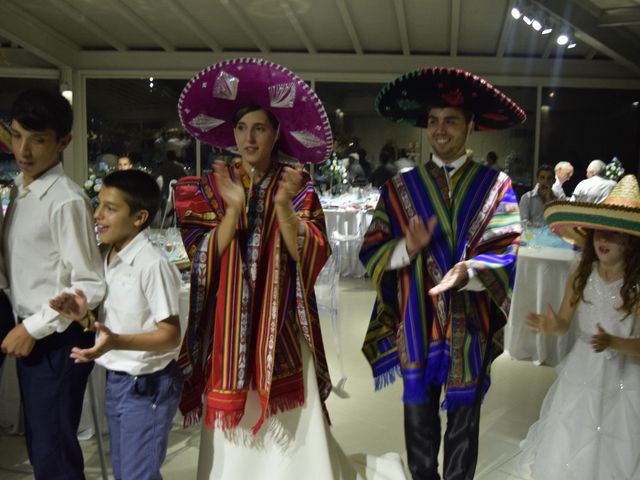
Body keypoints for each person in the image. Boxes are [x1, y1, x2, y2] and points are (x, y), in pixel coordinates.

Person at [177, 58, 405, 480]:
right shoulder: (206, 187)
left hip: (281, 324)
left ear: (276, 133)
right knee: (231, 423)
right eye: (242, 128)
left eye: (259, 128)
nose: (249, 137)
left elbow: (310, 254)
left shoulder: (296, 186)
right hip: (226, 330)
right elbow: (201, 257)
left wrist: (282, 205)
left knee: (292, 421)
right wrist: (232, 211)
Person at [360, 66, 524, 480]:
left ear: (471, 125)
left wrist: (469, 270)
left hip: (471, 320)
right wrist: (406, 247)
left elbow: (506, 247)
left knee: (464, 425)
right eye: (433, 121)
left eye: (451, 120)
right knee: (419, 424)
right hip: (416, 320)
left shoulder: (495, 184)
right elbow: (372, 249)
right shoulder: (399, 188)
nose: (440, 130)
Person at [49, 169, 184, 480]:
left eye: (110, 208)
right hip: (119, 381)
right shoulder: (109, 256)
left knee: (137, 474)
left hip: (148, 385)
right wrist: (82, 317)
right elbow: (118, 324)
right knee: (126, 472)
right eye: (99, 205)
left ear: (139, 218)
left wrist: (115, 342)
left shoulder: (152, 264)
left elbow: (170, 335)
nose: (97, 215)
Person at [0, 88, 105, 479]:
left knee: (53, 453)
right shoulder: (22, 190)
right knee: (42, 446)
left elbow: (90, 285)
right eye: (16, 135)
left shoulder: (66, 199)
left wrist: (33, 326)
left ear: (63, 142)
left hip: (57, 340)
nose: (23, 150)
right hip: (31, 331)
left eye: (37, 139)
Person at [520, 174, 640, 480]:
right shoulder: (581, 274)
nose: (603, 240)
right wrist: (552, 325)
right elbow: (564, 324)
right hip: (583, 369)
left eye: (614, 235)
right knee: (573, 437)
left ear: (631, 242)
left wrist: (613, 342)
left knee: (616, 444)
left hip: (625, 377)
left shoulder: (636, 287)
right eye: (599, 232)